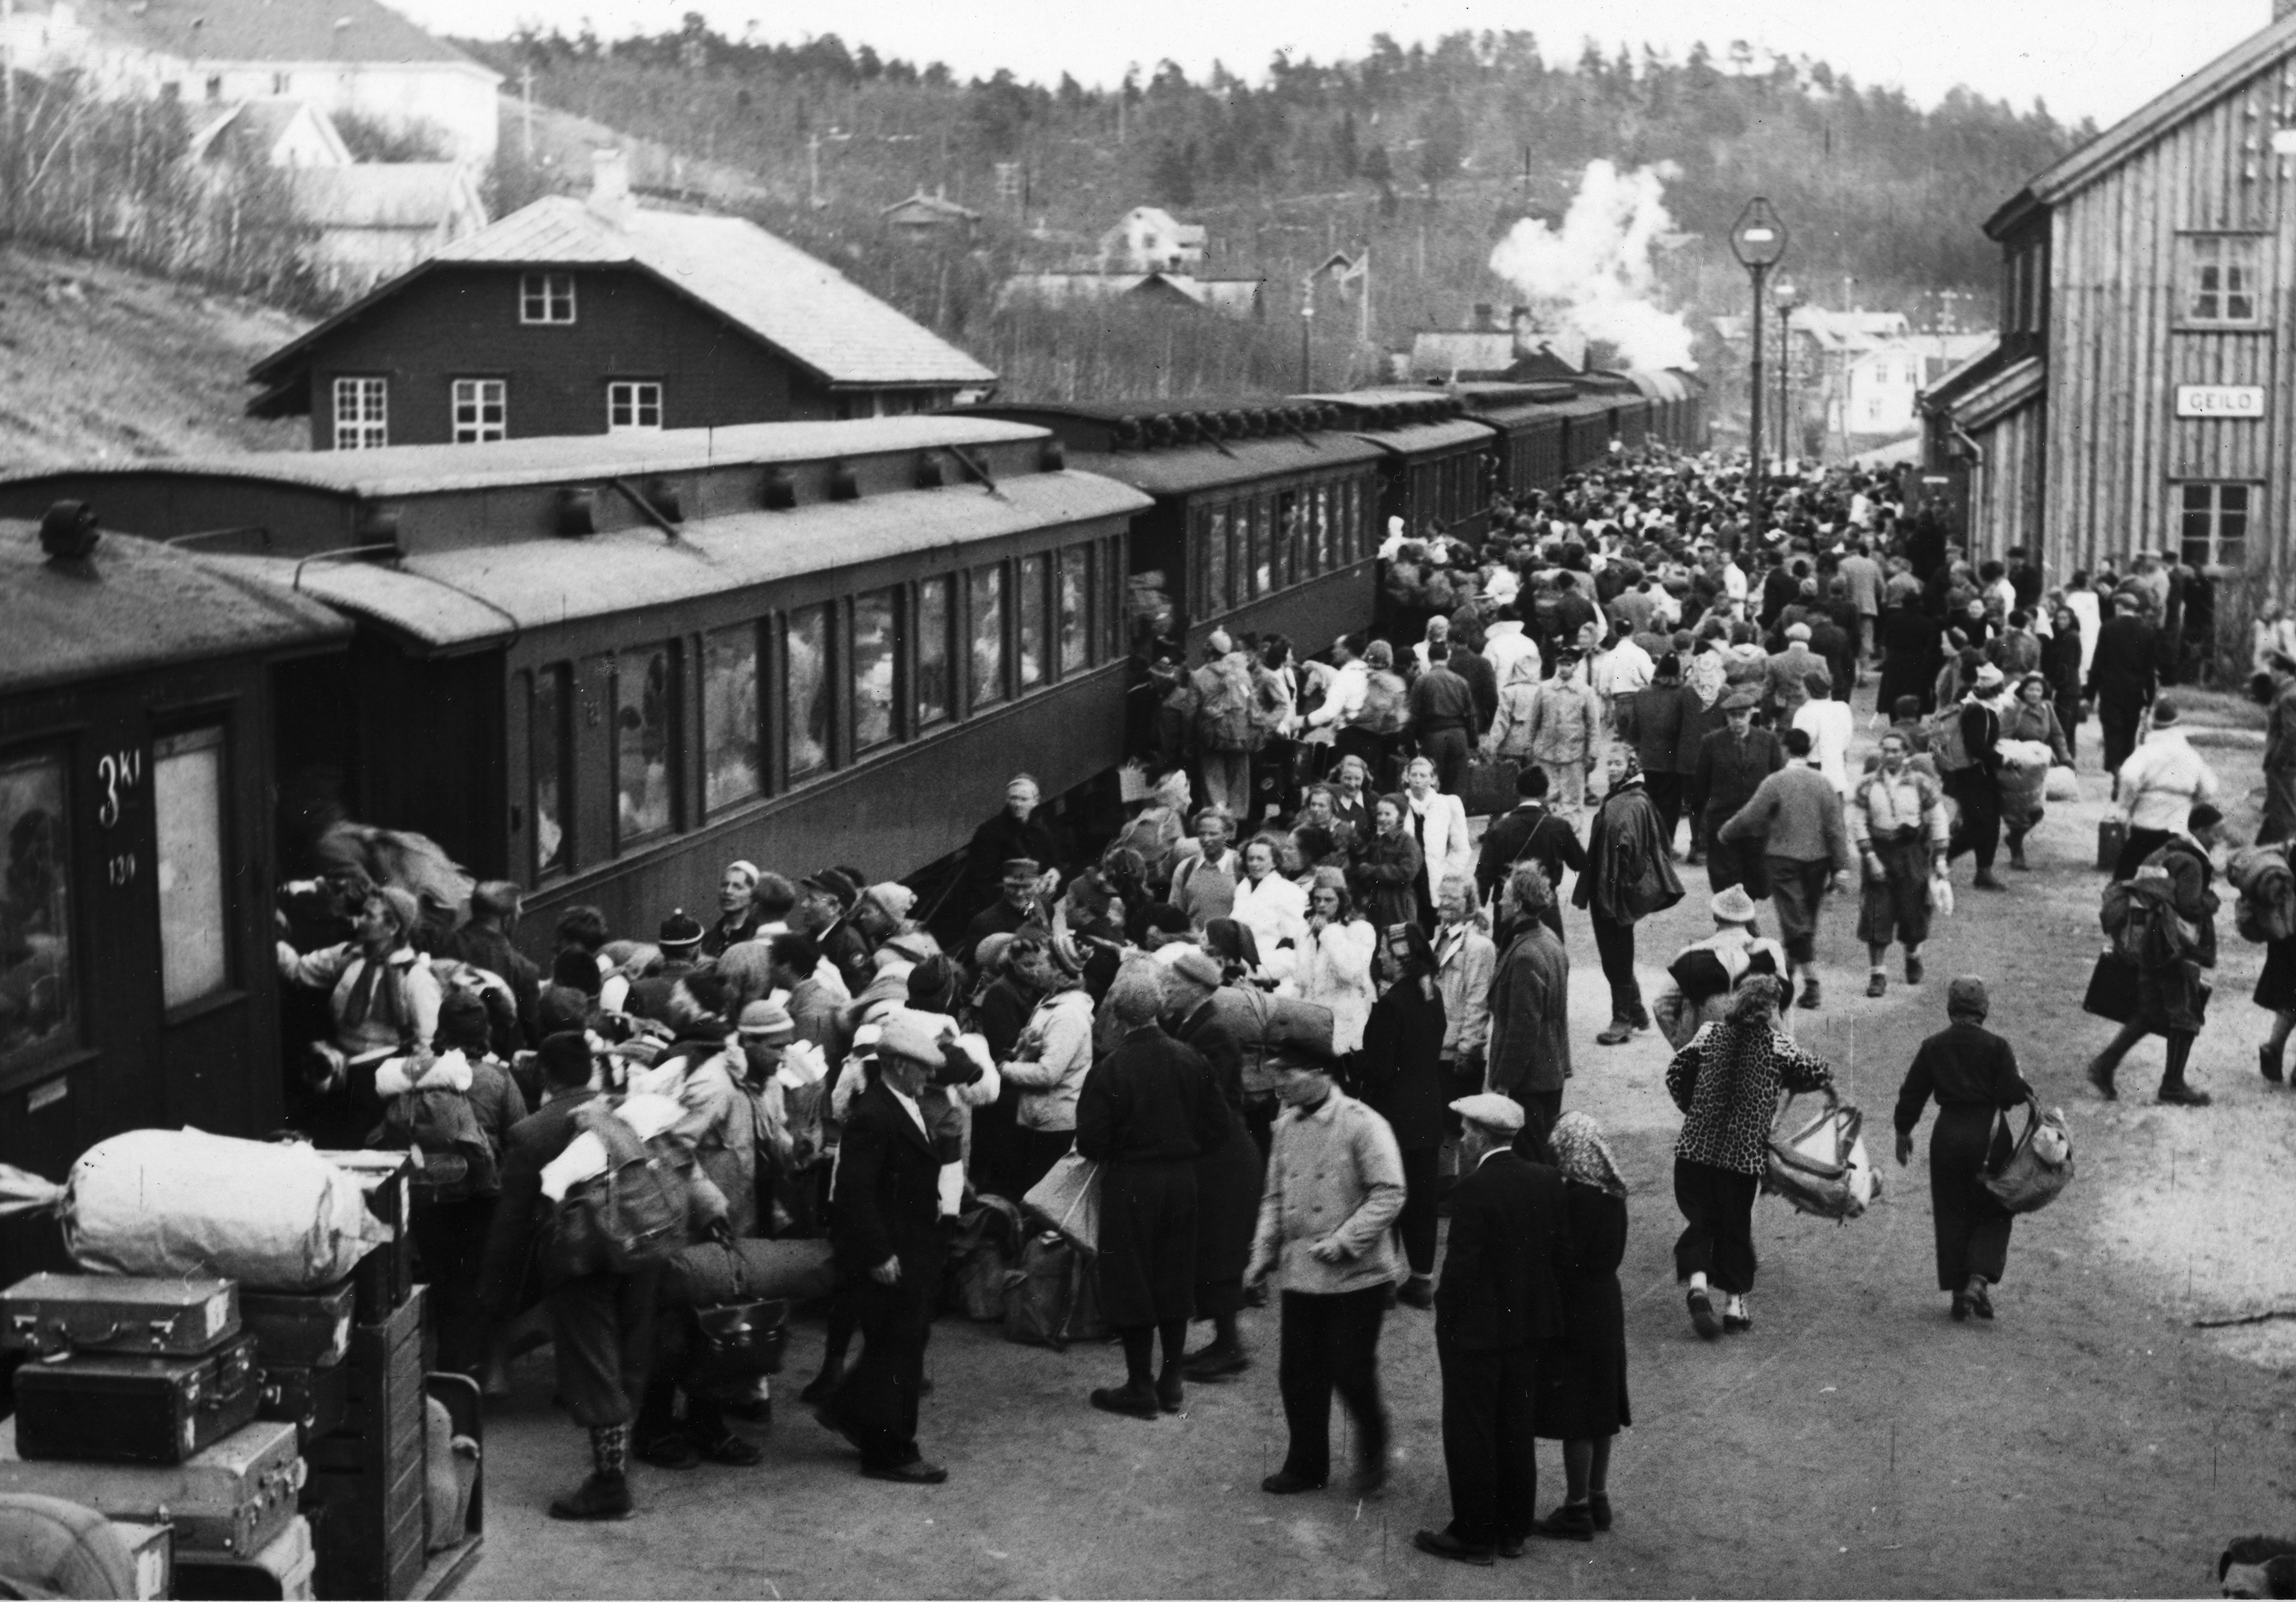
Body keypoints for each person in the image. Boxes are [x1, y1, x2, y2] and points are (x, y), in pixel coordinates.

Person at [476, 1032, 660, 1520]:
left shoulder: (533, 1132)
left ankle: (609, 1486)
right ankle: (617, 1467)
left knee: (593, 1365)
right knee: (628, 1359)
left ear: (546, 1075)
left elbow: (512, 1222)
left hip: (580, 1261)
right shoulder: (624, 1112)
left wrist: (494, 1293)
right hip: (639, 1249)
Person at [1411, 1093, 1564, 1568]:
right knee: (1515, 1426)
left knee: (1471, 1429)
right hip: (1528, 1328)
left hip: (1476, 1332)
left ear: (1479, 1136)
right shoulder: (1545, 1180)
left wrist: (1445, 1315)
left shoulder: (1473, 1190)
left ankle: (1475, 1534)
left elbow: (1459, 1270)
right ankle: (1513, 1530)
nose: (1460, 1139)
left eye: (1464, 1131)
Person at [1249, 1056, 1408, 1497]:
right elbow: (1274, 1196)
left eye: (1287, 1072)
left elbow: (1389, 1192)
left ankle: (1373, 1447)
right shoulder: (1284, 1126)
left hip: (1357, 1273)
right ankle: (1305, 1465)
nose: (1277, 1082)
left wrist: (1344, 1240)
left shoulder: (1362, 1123)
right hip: (1302, 1269)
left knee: (1350, 1368)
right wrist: (1261, 1254)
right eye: (1274, 1071)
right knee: (1297, 1371)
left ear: (1321, 1072)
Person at [1075, 964, 1228, 1419]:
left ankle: (1139, 1384)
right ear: (1159, 1009)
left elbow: (1091, 1143)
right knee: (1175, 1273)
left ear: (1118, 1017)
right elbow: (1219, 1127)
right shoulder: (1190, 1058)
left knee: (1131, 1277)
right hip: (1181, 1179)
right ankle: (1172, 1381)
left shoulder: (1110, 1069)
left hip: (1131, 1181)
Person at [820, 1012, 953, 1483]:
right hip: (891, 1252)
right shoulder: (876, 1115)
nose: (930, 1074)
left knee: (900, 1344)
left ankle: (849, 1412)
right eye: (921, 1065)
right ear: (897, 1064)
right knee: (897, 1352)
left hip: (909, 1246)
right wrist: (877, 1254)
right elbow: (853, 1193)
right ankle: (891, 1451)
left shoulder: (896, 1104)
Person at [1665, 975, 1837, 1339]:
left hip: (1694, 1149)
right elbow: (1820, 1071)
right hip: (1740, 1160)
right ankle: (1734, 1306)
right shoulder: (1780, 1046)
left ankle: (1697, 1283)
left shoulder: (1709, 1034)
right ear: (1772, 1008)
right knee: (1735, 1226)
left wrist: (1693, 1109)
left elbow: (1676, 1072)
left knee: (1701, 1218)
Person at [1892, 977, 2032, 1322]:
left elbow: (1913, 1092)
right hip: (1989, 1136)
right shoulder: (1998, 1046)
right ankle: (1979, 1278)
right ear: (1984, 1009)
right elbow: (2011, 1095)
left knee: (1951, 1210)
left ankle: (1959, 1293)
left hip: (1947, 1135)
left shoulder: (1933, 1045)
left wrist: (1903, 1132)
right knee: (1996, 1206)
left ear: (1950, 1009)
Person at [1161, 949, 1266, 1380]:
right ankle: (1224, 1343)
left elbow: (1213, 1101)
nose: (1166, 988)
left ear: (1198, 989)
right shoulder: (1190, 1025)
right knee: (1210, 1249)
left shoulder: (1213, 1032)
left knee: (1219, 1251)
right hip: (1213, 1154)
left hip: (1224, 1159)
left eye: (1173, 983)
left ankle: (1229, 1346)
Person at [1532, 1111, 1632, 1540]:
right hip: (1605, 1305)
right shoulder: (1612, 1194)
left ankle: (1575, 1510)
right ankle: (1597, 1497)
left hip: (1575, 1310)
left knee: (1575, 1413)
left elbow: (1559, 1258)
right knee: (1600, 1411)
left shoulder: (1572, 1200)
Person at [2089, 804, 2227, 1108]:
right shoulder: (2192, 862)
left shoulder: (2165, 850)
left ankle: (2105, 1065)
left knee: (2151, 1011)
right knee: (2186, 1013)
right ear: (2201, 831)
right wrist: (2212, 902)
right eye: (2216, 832)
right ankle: (2173, 1085)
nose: (2220, 837)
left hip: (2147, 940)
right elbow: (2190, 907)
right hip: (2172, 946)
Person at [1719, 726, 1853, 1010]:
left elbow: (1750, 815)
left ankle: (1813, 983)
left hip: (1783, 859)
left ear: (1783, 748)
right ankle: (1787, 977)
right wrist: (1841, 866)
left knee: (1794, 921)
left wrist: (1726, 832)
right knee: (1804, 919)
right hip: (1818, 861)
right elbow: (1835, 828)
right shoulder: (1824, 783)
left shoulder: (1776, 781)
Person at [1354, 922, 1447, 1310]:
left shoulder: (1392, 1006)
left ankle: (1384, 1281)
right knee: (1423, 1199)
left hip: (1393, 1117)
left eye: (1384, 954)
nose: (1378, 958)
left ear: (1401, 961)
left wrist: (1351, 1062)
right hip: (1428, 1113)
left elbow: (1378, 1069)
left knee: (1385, 1194)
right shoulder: (1432, 996)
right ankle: (1423, 1280)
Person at [1575, 748, 1685, 1043]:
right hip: (1608, 888)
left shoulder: (1632, 802)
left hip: (1615, 892)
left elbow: (1634, 850)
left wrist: (1620, 887)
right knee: (1616, 952)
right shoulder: (1625, 797)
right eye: (1609, 763)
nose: (1612, 768)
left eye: (1617, 763)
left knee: (1616, 955)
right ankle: (1636, 1011)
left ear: (1630, 766)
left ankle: (1621, 1020)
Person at [1850, 732, 1950, 998]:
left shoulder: (1921, 784)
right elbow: (1858, 823)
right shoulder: (1867, 785)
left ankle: (1913, 955)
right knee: (1876, 914)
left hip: (1911, 854)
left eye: (1896, 750)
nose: (1890, 755)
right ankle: (1878, 975)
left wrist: (1940, 858)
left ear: (1906, 753)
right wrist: (1870, 858)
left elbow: (1938, 819)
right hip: (1880, 852)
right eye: (1886, 750)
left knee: (1914, 911)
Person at [998, 938, 1097, 1194]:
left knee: (1040, 1196)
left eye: (1042, 962)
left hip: (1053, 1124)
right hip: (1037, 1117)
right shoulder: (1051, 1004)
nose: (1036, 969)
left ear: (1059, 971)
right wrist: (1020, 1052)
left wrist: (1006, 1069)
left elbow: (1048, 1073)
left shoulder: (1068, 1015)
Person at [1485, 865, 1571, 1131]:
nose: (1499, 901)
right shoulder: (1549, 938)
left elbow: (1522, 1028)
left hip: (1530, 1076)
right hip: (1549, 1067)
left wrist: (1505, 1081)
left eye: (1506, 897)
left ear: (1520, 904)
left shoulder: (1526, 954)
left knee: (1530, 1151)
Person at [1651, 885, 1787, 1048]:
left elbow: (1661, 1006)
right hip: (1759, 1044)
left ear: (1716, 916)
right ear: (1749, 918)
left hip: (1706, 1045)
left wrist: (1681, 1045)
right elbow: (1784, 1001)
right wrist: (1786, 1043)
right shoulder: (1771, 948)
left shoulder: (1691, 953)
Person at [2111, 701, 2221, 878]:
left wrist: (2124, 808)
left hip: (2145, 827)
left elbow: (2129, 776)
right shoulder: (2190, 754)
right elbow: (2210, 788)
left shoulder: (2146, 752)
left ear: (2151, 723)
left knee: (2125, 877)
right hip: (2177, 830)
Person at [1693, 688, 1785, 899]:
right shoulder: (1711, 742)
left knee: (1756, 874)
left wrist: (1774, 815)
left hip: (1758, 821)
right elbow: (1700, 784)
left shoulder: (1768, 741)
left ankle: (1746, 915)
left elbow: (1777, 780)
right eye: (1732, 716)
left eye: (1741, 716)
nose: (1737, 721)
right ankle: (1731, 921)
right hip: (1723, 818)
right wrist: (1704, 820)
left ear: (1751, 714)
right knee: (1725, 874)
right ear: (1726, 716)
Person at [1473, 766, 1584, 939]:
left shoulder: (1498, 828)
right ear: (1546, 793)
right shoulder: (1558, 826)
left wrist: (1478, 911)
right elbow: (1579, 863)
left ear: (1516, 790)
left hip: (1508, 907)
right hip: (1545, 905)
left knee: (1507, 958)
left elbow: (1483, 876)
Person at [1288, 874, 1377, 1054]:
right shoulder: (1305, 932)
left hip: (1346, 1022)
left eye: (1328, 900)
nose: (1321, 905)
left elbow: (1353, 973)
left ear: (1342, 901)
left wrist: (1328, 932)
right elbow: (1302, 981)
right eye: (1317, 899)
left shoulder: (1360, 930)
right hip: (1313, 1020)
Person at [446, 881, 542, 1047]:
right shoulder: (523, 969)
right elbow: (533, 1031)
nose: (521, 913)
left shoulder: (445, 945)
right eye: (518, 910)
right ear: (507, 920)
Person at [1943, 664, 2012, 892]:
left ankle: (1984, 872)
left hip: (1976, 774)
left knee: (1990, 824)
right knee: (1981, 826)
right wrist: (2003, 760)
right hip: (1973, 775)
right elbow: (1977, 746)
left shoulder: (1974, 705)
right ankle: (1941, 856)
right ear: (1998, 687)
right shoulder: (1979, 711)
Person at [1519, 648, 1603, 822]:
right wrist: (1528, 745)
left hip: (1573, 755)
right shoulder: (1544, 689)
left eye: (1569, 664)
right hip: (1546, 754)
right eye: (1561, 664)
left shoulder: (1585, 692)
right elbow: (1533, 721)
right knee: (1546, 798)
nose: (1564, 668)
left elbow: (1593, 726)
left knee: (1572, 802)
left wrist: (1593, 754)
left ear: (1576, 666)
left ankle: (1572, 841)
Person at [2000, 672, 2074, 870]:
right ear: (2023, 691)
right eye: (2030, 689)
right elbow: (2002, 737)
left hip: (2040, 763)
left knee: (2037, 810)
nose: (2034, 693)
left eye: (2038, 690)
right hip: (2019, 765)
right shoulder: (2014, 710)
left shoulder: (2047, 708)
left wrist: (2066, 758)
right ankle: (2017, 852)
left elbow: (2057, 735)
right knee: (2019, 809)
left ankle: (2014, 839)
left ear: (2044, 692)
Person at [2088, 594, 2159, 794]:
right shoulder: (2147, 631)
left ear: (2119, 607)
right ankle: (2126, 775)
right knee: (2129, 734)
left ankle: (2117, 772)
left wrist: (2090, 694)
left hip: (2110, 689)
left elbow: (2098, 662)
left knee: (2112, 733)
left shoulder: (2108, 628)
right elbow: (2150, 668)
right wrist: (2150, 698)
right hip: (2135, 692)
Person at [964, 775, 1057, 921]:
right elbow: (981, 882)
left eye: (1023, 799)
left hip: (1033, 903)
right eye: (1013, 798)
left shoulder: (1039, 829)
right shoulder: (989, 832)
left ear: (1035, 802)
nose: (1017, 804)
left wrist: (1054, 873)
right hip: (1005, 908)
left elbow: (1053, 860)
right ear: (1007, 800)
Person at [1399, 756, 1473, 933]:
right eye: (1414, 775)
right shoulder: (1400, 804)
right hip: (1408, 878)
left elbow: (1461, 848)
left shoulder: (1448, 804)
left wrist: (1446, 874)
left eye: (1423, 776)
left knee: (1432, 930)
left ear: (1433, 779)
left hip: (1435, 879)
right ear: (1407, 777)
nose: (1418, 780)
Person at [1345, 795, 1423, 939]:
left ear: (1400, 816)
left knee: (1397, 940)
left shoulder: (1408, 843)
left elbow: (1407, 873)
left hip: (1398, 902)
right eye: (1379, 814)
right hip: (1376, 900)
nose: (1382, 818)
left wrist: (1373, 871)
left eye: (1388, 814)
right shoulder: (1377, 840)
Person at [1408, 644, 1479, 797]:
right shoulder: (1461, 681)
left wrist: (1415, 738)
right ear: (1447, 658)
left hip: (1434, 735)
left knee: (1432, 782)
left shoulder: (1422, 681)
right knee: (1458, 786)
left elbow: (1414, 715)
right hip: (1459, 735)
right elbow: (1471, 714)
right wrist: (1473, 742)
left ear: (1429, 658)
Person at [1229, 835, 1309, 955]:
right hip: (1237, 955)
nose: (1254, 864)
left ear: (1274, 862)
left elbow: (1295, 935)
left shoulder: (1288, 890)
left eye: (1260, 859)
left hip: (1269, 961)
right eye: (1250, 859)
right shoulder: (1243, 887)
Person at [961, 858, 1046, 964]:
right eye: (1013, 886)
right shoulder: (983, 923)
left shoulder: (1044, 905)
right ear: (1004, 885)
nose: (1019, 893)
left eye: (1026, 886)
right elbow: (972, 973)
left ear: (1037, 885)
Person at [1168, 808, 1241, 929]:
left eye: (1213, 834)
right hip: (1194, 943)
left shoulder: (1239, 866)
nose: (1206, 839)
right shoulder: (1186, 868)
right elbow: (1175, 913)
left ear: (1227, 834)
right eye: (1202, 834)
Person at [2262, 654, 2296, 846]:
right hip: (2283, 763)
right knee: (2277, 811)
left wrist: (2278, 762)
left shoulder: (2288, 696)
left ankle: (2285, 856)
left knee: (2284, 816)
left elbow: (2292, 733)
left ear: (2285, 671)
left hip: (2282, 765)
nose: (2271, 674)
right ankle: (2264, 851)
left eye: (2274, 670)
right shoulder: (2287, 691)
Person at [700, 861, 767, 958]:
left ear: (753, 895)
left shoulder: (759, 938)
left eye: (737, 887)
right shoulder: (707, 939)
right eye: (724, 885)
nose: (728, 891)